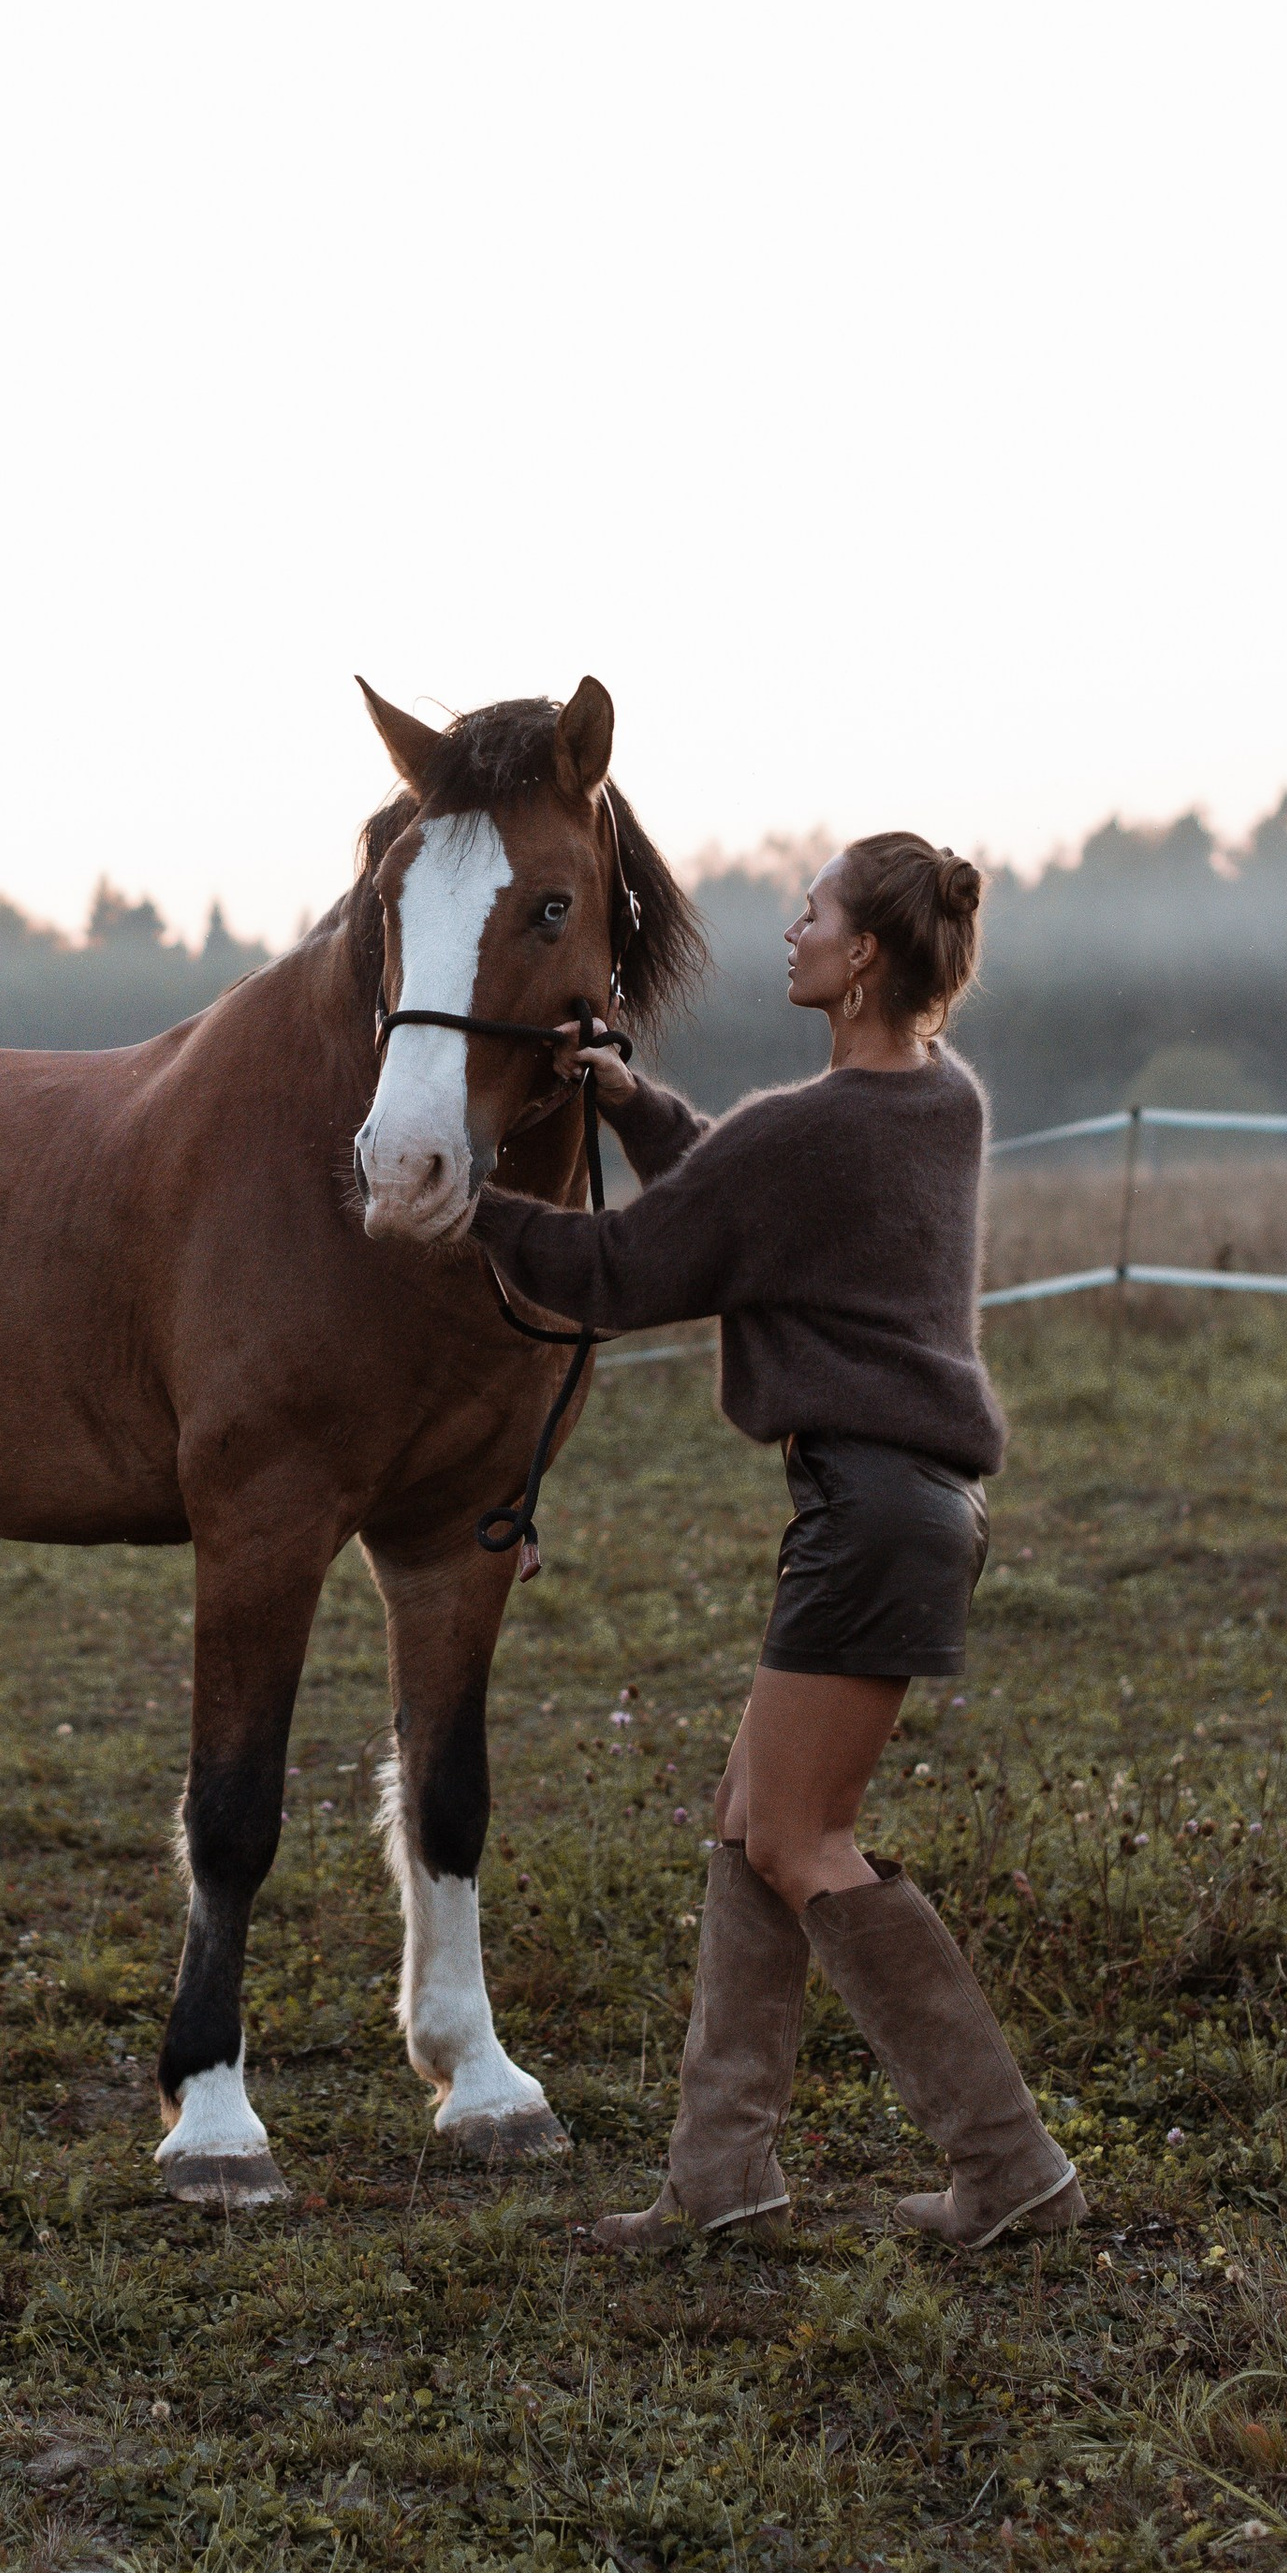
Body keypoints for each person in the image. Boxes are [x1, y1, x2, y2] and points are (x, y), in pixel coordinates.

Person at [470, 831, 1085, 2255]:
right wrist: (627, 1104)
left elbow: (631, 1267)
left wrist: (459, 1212)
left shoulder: (815, 1131)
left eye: (811, 912)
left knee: (804, 1837)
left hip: (868, 1518)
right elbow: (742, 1198)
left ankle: (1011, 2168)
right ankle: (722, 2179)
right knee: (756, 1826)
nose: (789, 928)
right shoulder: (940, 1102)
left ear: (862, 954)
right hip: (907, 1510)